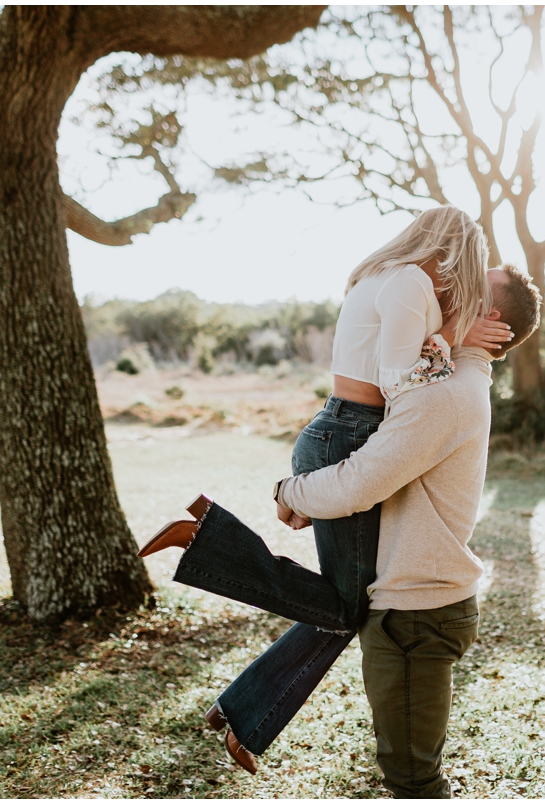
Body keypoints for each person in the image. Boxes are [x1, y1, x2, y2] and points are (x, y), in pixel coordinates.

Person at [137, 206, 510, 773]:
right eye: (462, 268)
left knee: (344, 604)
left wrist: (451, 337)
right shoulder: (410, 280)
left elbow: (398, 368)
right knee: (348, 606)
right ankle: (208, 543)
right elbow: (400, 380)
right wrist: (454, 339)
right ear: (448, 249)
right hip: (353, 432)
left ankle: (238, 709)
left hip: (340, 426)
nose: (460, 283)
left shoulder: (380, 276)